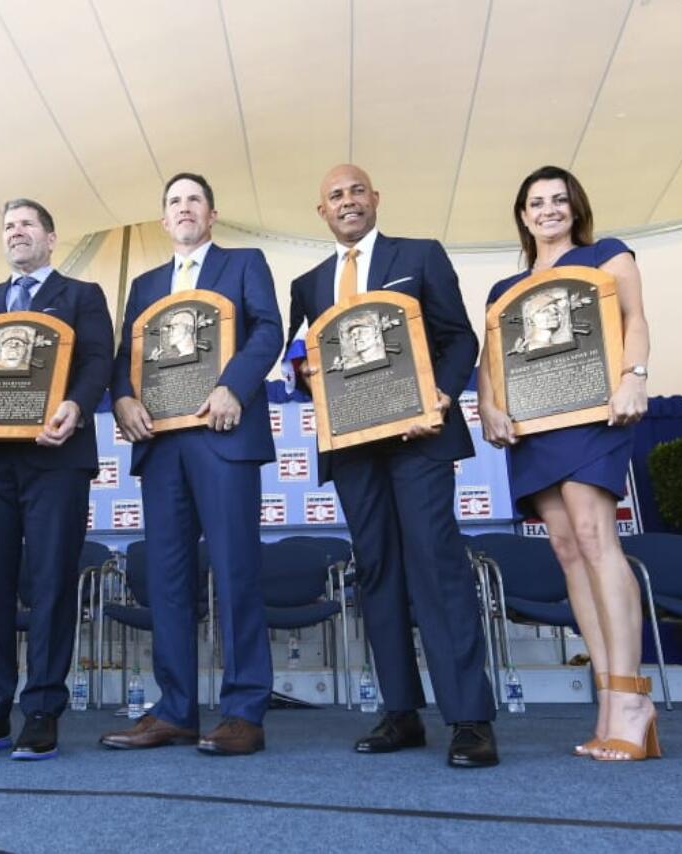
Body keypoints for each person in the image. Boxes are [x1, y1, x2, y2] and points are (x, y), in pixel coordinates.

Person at [286, 164, 498, 768]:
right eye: (335, 195)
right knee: (377, 571)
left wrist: (444, 396)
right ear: (321, 211)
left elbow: (459, 338)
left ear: (375, 199)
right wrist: (298, 372)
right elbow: (297, 356)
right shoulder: (307, 283)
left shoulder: (421, 255)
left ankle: (469, 718)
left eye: (356, 191)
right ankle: (399, 713)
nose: (347, 201)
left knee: (437, 565)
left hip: (420, 436)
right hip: (353, 447)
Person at [101, 173, 282, 756]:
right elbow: (125, 354)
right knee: (168, 580)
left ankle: (244, 710)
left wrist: (233, 386)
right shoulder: (146, 284)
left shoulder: (244, 262)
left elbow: (269, 330)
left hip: (223, 433)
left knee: (235, 573)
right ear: (164, 219)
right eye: (174, 201)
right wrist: (123, 396)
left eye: (194, 200)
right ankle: (174, 709)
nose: (184, 209)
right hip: (161, 444)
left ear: (211, 213)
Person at [478, 165, 652, 761]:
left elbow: (634, 319)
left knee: (594, 536)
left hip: (594, 411)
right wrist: (489, 406)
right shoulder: (504, 288)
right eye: (536, 202)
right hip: (533, 425)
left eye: (558, 200)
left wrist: (634, 377)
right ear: (523, 216)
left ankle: (632, 697)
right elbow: (489, 358)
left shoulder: (608, 254)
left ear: (574, 207)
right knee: (567, 550)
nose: (548, 209)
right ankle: (607, 698)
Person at [0, 198, 112, 761]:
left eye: (27, 225)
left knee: (53, 582)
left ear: (51, 239)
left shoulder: (82, 296)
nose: (17, 233)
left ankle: (42, 710)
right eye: (9, 227)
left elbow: (99, 360)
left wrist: (76, 409)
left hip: (53, 456)